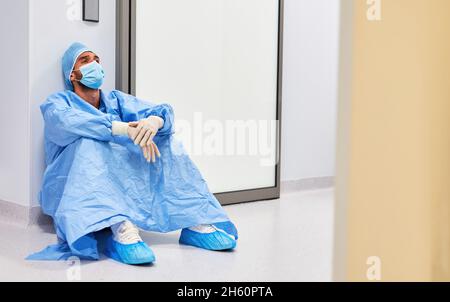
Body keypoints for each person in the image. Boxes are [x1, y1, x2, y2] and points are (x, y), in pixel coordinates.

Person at [27, 42, 238, 265]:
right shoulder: (58, 103)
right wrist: (123, 128)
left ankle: (195, 219)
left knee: (165, 141)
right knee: (90, 142)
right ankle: (121, 228)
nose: (94, 64)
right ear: (72, 74)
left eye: (96, 59)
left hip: (118, 178)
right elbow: (69, 122)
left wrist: (154, 122)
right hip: (72, 186)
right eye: (85, 60)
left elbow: (159, 112)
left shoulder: (115, 100)